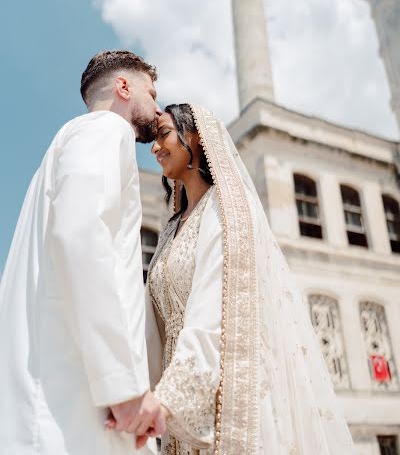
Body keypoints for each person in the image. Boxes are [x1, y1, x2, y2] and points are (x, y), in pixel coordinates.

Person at [145, 103, 355, 455]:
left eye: (164, 134)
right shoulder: (169, 231)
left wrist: (170, 399)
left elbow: (213, 313)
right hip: (174, 412)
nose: (154, 147)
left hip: (222, 399)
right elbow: (156, 325)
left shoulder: (225, 210)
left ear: (195, 138)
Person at [0, 50, 166, 454]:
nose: (158, 109)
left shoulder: (63, 148)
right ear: (124, 87)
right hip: (76, 411)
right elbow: (80, 235)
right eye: (152, 93)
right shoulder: (105, 131)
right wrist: (123, 386)